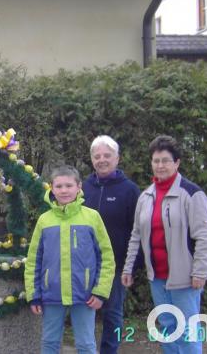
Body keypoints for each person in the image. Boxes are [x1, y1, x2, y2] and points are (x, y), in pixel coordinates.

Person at [122, 135, 207, 354]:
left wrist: (200, 272)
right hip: (158, 278)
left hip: (185, 278)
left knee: (187, 331)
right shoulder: (145, 197)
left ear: (177, 163)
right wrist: (128, 268)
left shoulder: (191, 194)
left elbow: (204, 236)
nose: (160, 165)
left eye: (165, 160)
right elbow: (136, 235)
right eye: (156, 161)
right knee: (167, 328)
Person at [25, 165, 115, 354]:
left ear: (79, 187)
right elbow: (34, 260)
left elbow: (106, 257)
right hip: (52, 294)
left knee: (85, 344)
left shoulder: (92, 217)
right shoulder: (44, 220)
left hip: (85, 295)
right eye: (59, 186)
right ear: (51, 188)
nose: (64, 190)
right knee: (49, 342)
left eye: (68, 185)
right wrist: (34, 294)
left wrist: (100, 292)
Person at [82, 135, 141, 354]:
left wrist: (132, 266)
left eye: (107, 155)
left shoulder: (130, 190)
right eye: (97, 156)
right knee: (84, 310)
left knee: (113, 314)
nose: (102, 160)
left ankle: (110, 350)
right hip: (85, 264)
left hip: (115, 265)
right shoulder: (83, 188)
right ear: (92, 160)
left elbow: (139, 231)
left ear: (117, 158)